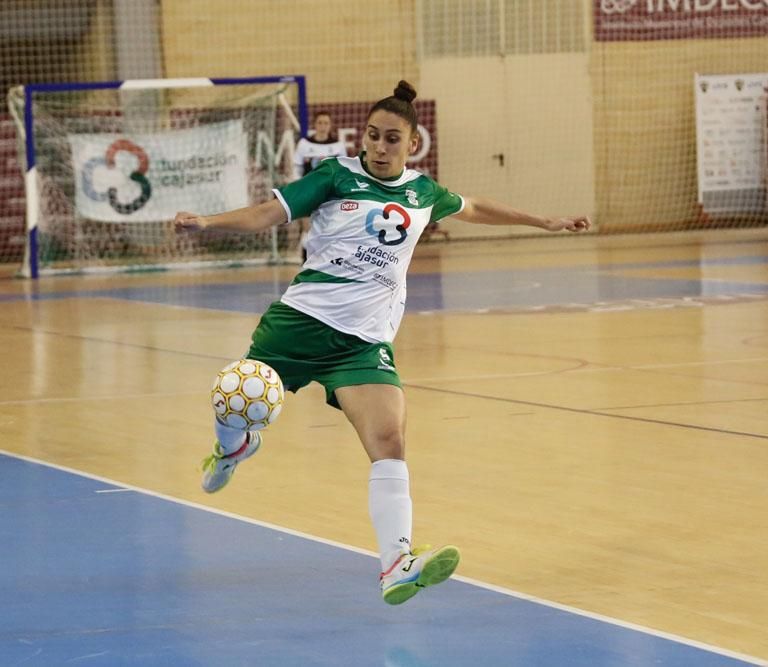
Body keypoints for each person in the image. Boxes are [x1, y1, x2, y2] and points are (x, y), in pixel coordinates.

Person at [174, 80, 591, 605]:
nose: (378, 146)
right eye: (372, 135)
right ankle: (232, 447)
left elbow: (476, 207)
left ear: (411, 144)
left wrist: (543, 221)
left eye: (391, 138)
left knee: (389, 442)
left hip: (364, 343)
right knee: (237, 395)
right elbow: (267, 213)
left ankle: (396, 563)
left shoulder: (424, 193)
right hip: (301, 323)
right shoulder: (334, 175)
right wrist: (206, 222)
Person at [292, 111, 347, 261]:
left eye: (326, 123)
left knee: (330, 228)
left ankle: (329, 262)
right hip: (309, 192)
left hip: (329, 194)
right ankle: (306, 262)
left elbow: (343, 170)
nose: (323, 126)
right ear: (315, 125)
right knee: (307, 228)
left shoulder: (337, 146)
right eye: (320, 123)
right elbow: (296, 168)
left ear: (330, 125)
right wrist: (300, 188)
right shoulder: (304, 144)